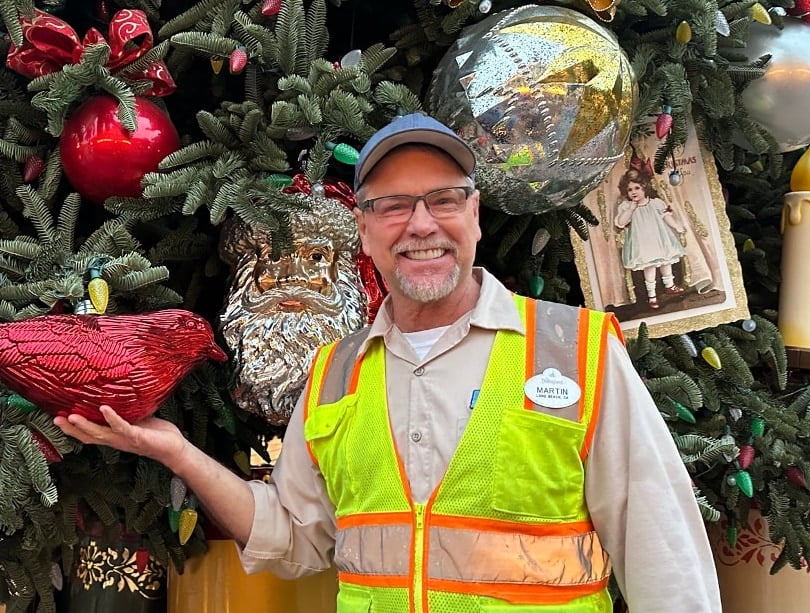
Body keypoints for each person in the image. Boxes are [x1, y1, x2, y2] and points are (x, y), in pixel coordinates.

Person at [55, 113, 722, 612]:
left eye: (443, 199)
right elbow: (292, 538)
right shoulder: (335, 375)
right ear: (365, 233)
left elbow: (667, 561)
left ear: (475, 215)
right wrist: (178, 453)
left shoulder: (575, 353)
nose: (422, 224)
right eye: (394, 205)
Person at [614, 167, 687, 309]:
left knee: (666, 261)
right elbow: (621, 223)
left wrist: (677, 226)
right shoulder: (626, 206)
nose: (633, 192)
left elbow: (666, 217)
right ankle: (652, 295)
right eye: (630, 190)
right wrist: (630, 209)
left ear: (645, 187)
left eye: (637, 188)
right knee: (649, 266)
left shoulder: (655, 203)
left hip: (660, 239)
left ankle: (669, 285)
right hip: (643, 243)